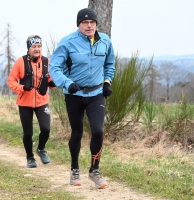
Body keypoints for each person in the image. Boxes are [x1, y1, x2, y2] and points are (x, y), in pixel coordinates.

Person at [49, 8, 116, 189]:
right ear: (78, 25)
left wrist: (107, 82)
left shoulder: (105, 41)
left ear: (96, 24)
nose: (89, 26)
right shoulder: (68, 42)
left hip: (96, 94)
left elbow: (110, 64)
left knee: (98, 131)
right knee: (77, 132)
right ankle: (74, 169)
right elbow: (54, 67)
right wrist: (66, 83)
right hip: (74, 94)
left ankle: (94, 171)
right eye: (85, 23)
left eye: (92, 23)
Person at [7, 35, 55, 168]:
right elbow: (11, 80)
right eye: (34, 46)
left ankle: (41, 149)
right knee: (28, 132)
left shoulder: (46, 62)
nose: (37, 49)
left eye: (39, 46)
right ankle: (30, 157)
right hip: (24, 103)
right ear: (29, 48)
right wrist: (21, 87)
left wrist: (52, 82)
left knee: (46, 129)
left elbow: (50, 78)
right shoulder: (20, 62)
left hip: (42, 100)